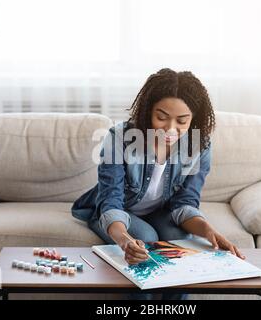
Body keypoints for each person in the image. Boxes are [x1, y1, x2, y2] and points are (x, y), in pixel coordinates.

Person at [71, 68, 244, 299]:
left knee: (181, 242)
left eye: (182, 121)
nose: (170, 129)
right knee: (148, 239)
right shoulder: (120, 138)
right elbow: (110, 201)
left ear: (194, 118)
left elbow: (185, 202)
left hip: (160, 212)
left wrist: (209, 231)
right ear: (147, 111)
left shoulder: (197, 145)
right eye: (161, 117)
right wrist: (125, 241)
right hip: (115, 212)